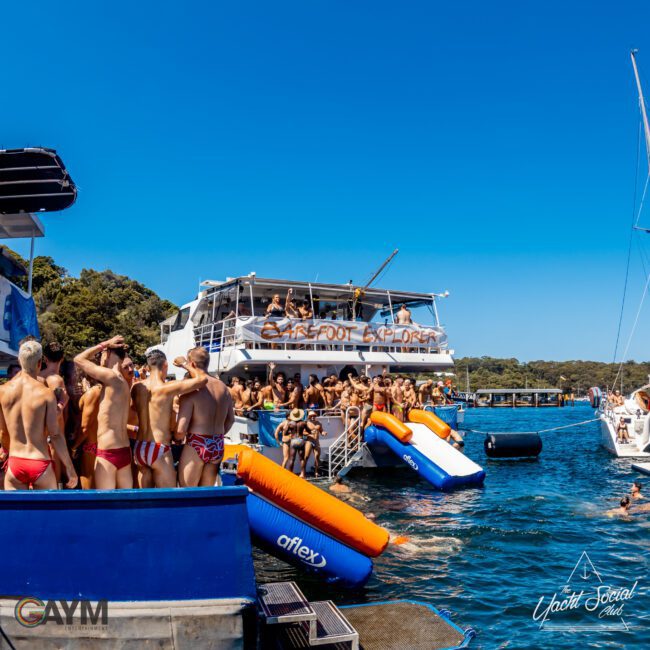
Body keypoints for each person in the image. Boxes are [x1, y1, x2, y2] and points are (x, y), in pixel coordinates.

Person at [1, 341, 77, 490]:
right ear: (39, 363)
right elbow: (55, 435)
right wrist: (69, 467)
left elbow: (3, 433)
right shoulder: (45, 393)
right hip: (40, 461)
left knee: (16, 513)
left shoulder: (3, 391)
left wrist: (10, 452)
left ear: (19, 360)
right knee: (47, 513)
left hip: (15, 461)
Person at [131, 350, 208, 488]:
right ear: (165, 364)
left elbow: (133, 408)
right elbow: (202, 379)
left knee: (144, 501)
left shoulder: (136, 387)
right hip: (159, 447)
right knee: (166, 499)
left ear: (148, 367)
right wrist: (185, 364)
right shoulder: (167, 388)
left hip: (140, 447)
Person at [74, 336, 133, 489]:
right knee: (125, 505)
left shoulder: (111, 376)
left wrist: (104, 344)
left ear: (106, 354)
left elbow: (78, 359)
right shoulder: (123, 383)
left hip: (108, 452)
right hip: (124, 451)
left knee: (107, 506)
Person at [177, 347, 234, 487]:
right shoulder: (223, 387)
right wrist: (215, 437)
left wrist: (176, 439)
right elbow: (231, 420)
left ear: (192, 365)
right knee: (206, 493)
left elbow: (180, 430)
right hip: (218, 443)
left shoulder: (191, 391)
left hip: (197, 442)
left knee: (188, 493)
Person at [39, 341, 69, 487]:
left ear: (45, 358)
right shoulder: (57, 380)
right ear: (62, 358)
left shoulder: (38, 377)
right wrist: (64, 402)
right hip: (55, 433)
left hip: (41, 432)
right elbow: (56, 412)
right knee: (56, 478)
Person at [71, 376, 101, 489]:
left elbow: (85, 428)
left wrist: (74, 447)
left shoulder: (92, 393)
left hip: (89, 445)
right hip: (104, 444)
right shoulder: (107, 389)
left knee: (89, 483)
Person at [304, 410, 327, 477]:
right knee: (306, 457)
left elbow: (321, 431)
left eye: (314, 416)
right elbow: (303, 432)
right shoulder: (306, 423)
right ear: (309, 417)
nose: (313, 417)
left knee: (317, 457)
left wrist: (324, 433)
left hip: (316, 441)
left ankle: (316, 472)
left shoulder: (319, 423)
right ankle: (303, 471)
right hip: (309, 441)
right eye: (311, 416)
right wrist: (310, 434)